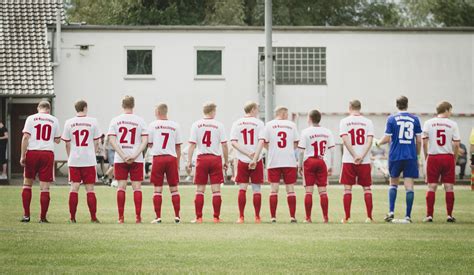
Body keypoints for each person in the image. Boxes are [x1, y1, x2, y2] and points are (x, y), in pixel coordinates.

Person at [250, 106, 299, 223]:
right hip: (289, 161)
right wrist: (287, 149)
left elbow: (263, 142)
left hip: (274, 161)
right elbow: (296, 143)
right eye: (286, 113)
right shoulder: (292, 125)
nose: (287, 116)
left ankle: (273, 217)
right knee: (290, 189)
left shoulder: (269, 125)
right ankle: (292, 217)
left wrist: (270, 149)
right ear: (282, 113)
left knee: (274, 190)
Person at [378, 96, 422, 223]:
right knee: (409, 186)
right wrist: (417, 155)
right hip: (410, 156)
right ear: (407, 104)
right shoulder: (415, 119)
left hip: (395, 155)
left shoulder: (391, 119)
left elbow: (387, 138)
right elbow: (419, 140)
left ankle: (391, 212)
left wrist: (378, 143)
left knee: (393, 183)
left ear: (396, 105)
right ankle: (408, 216)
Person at [107, 96, 148, 224]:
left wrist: (123, 154)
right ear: (133, 105)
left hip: (120, 158)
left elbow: (111, 140)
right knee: (137, 188)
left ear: (122, 105)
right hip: (137, 159)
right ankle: (138, 217)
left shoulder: (115, 120)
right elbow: (145, 141)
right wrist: (135, 154)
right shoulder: (140, 121)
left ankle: (121, 217)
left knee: (121, 187)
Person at [186, 102, 228, 223]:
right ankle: (216, 217)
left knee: (200, 190)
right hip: (215, 159)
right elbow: (224, 145)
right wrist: (225, 161)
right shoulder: (219, 125)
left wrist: (189, 161)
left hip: (202, 159)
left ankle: (199, 217)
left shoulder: (196, 124)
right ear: (213, 111)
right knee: (216, 190)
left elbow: (192, 145)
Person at [20, 101, 60, 223]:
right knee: (45, 188)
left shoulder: (31, 118)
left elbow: (26, 137)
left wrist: (23, 155)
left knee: (27, 184)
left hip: (32, 152)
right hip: (47, 153)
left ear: (38, 108)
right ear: (49, 109)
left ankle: (26, 216)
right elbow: (57, 140)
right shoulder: (54, 120)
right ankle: (42, 218)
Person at [61, 100, 101, 223]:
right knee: (90, 189)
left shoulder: (69, 122)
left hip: (74, 160)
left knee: (74, 188)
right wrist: (92, 154)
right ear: (85, 108)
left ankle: (72, 218)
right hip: (89, 160)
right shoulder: (93, 121)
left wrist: (70, 157)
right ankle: (93, 218)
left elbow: (67, 144)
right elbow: (96, 142)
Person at [422, 102, 460, 223]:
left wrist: (426, 155)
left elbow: (424, 142)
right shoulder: (453, 124)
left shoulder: (428, 123)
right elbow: (456, 144)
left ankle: (429, 215)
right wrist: (454, 158)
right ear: (447, 110)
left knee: (432, 186)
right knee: (449, 187)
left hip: (433, 156)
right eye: (450, 110)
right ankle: (449, 215)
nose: (451, 113)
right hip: (447, 156)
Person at [339, 100, 375, 223]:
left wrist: (354, 155)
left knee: (347, 189)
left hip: (349, 159)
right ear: (360, 108)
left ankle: (347, 217)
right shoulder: (368, 122)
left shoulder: (344, 121)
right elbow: (370, 141)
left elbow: (345, 140)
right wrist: (361, 156)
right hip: (364, 160)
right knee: (367, 189)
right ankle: (369, 217)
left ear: (349, 107)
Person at [229, 101, 264, 224]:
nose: (258, 111)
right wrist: (254, 158)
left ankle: (241, 217)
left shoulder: (237, 123)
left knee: (242, 189)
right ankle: (257, 217)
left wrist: (246, 153)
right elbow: (261, 141)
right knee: (256, 189)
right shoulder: (259, 123)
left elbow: (233, 142)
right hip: (257, 159)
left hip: (242, 160)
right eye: (257, 108)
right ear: (253, 109)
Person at [297, 109, 335, 223]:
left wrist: (299, 166)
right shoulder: (327, 132)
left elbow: (301, 151)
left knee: (309, 191)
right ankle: (325, 217)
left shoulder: (305, 132)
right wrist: (331, 165)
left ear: (309, 118)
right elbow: (332, 150)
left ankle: (308, 218)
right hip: (321, 160)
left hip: (309, 161)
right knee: (323, 191)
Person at [148, 103, 182, 224]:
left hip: (158, 158)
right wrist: (177, 163)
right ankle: (177, 216)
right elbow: (178, 147)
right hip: (171, 158)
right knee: (174, 189)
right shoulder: (175, 125)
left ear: (157, 112)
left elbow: (150, 144)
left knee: (157, 189)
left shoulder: (152, 125)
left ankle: (158, 217)